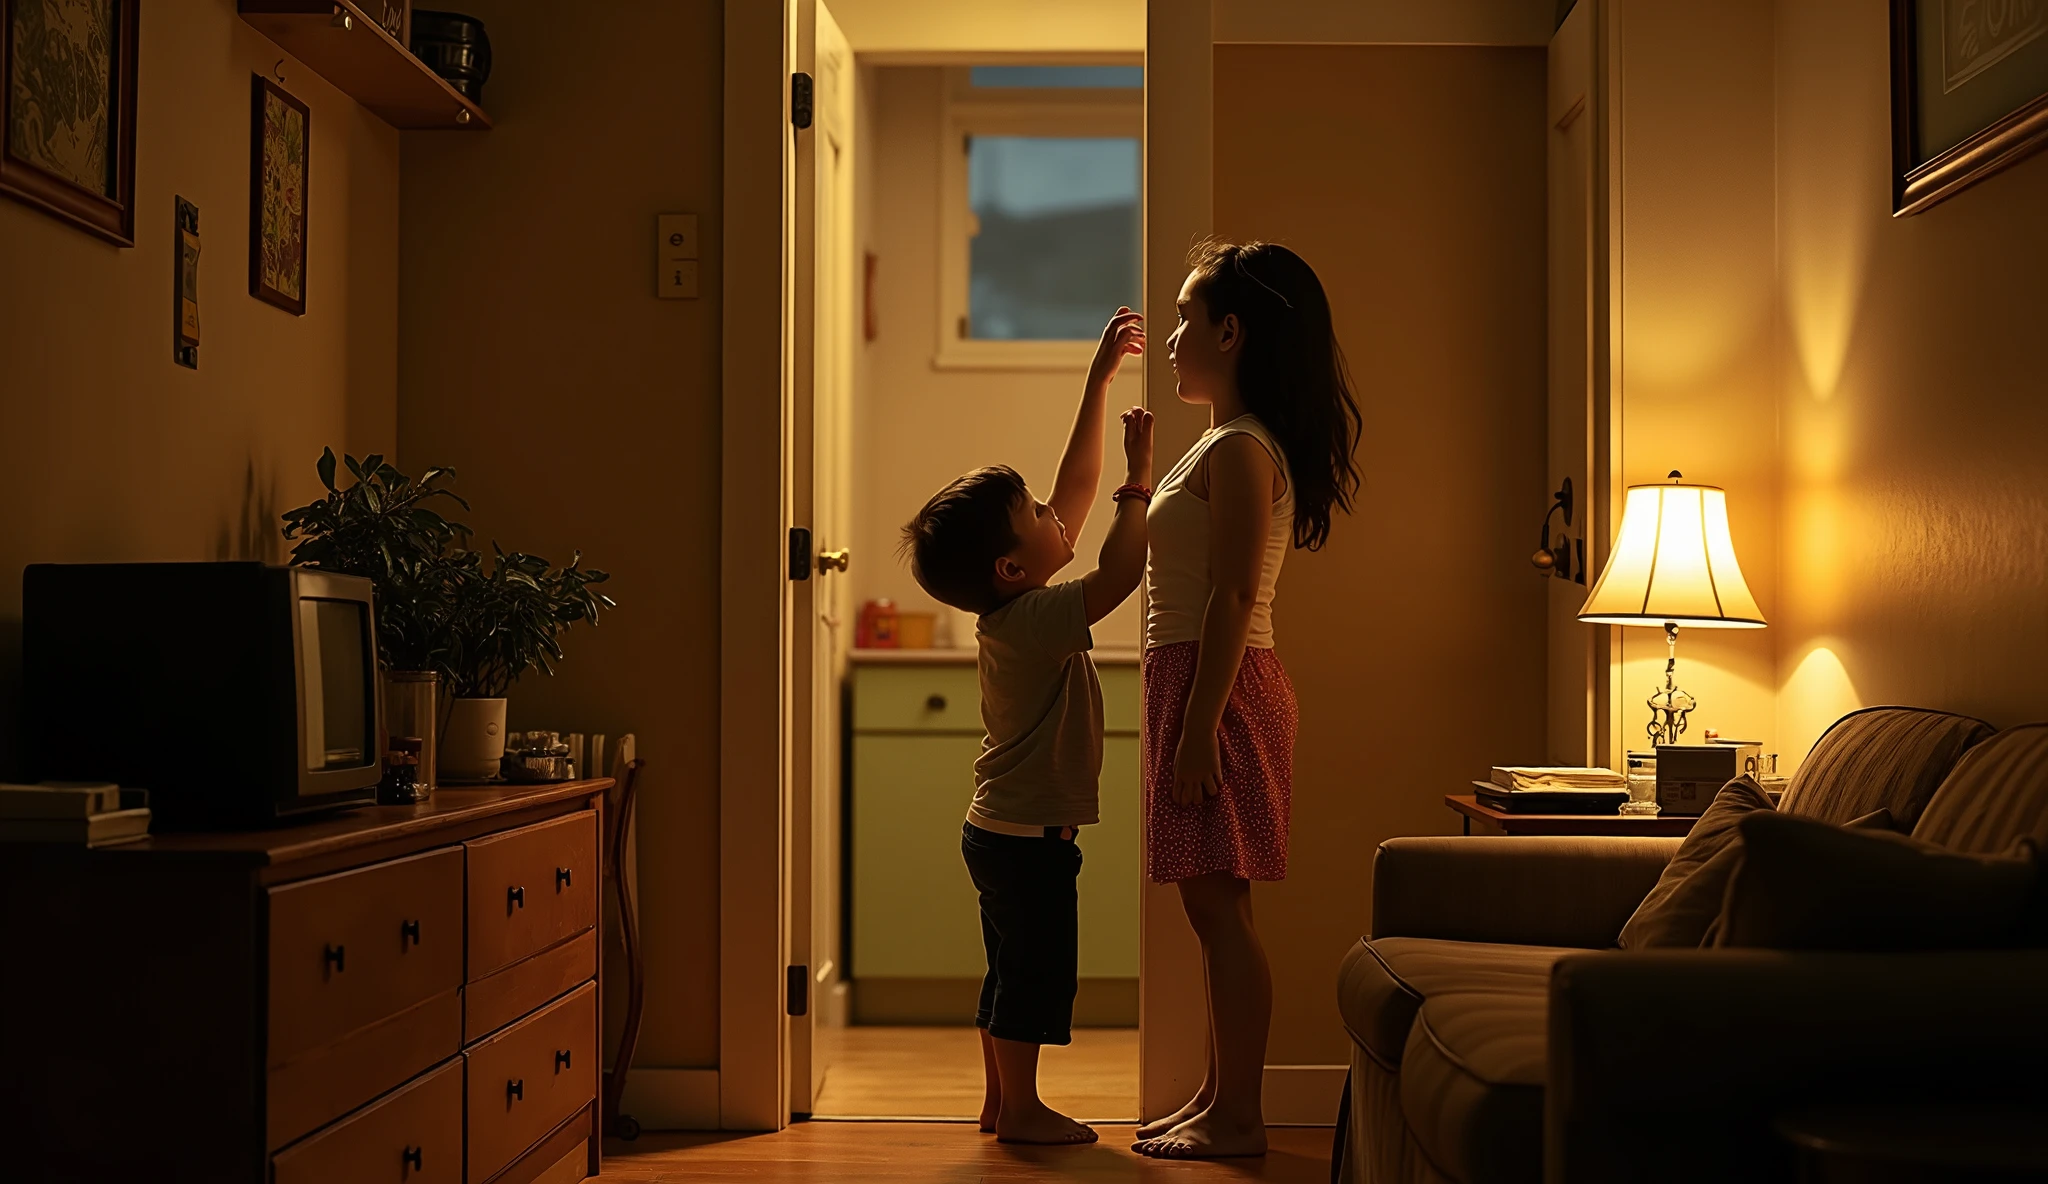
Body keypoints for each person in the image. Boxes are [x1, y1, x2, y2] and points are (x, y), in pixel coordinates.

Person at [899, 308, 1151, 1145]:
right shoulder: (1036, 618)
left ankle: (998, 1099)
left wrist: (1098, 384)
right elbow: (1118, 574)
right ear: (1013, 566)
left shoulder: (1016, 605)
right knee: (1035, 976)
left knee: (1008, 968)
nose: (1057, 512)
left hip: (1001, 831)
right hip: (1025, 838)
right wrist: (1139, 483)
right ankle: (1023, 1110)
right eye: (1039, 513)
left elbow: (1070, 486)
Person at [1133, 242, 1362, 1160]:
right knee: (1215, 910)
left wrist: (1196, 730)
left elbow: (1230, 596)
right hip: (1196, 683)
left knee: (1220, 912)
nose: (1176, 335)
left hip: (1214, 690)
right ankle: (1217, 1097)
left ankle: (1238, 1117)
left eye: (1189, 318)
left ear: (1232, 333)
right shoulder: (1225, 442)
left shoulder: (1240, 447)